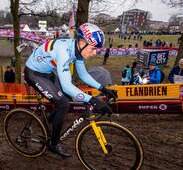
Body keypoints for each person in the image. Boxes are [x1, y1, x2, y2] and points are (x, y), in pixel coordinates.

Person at [24, 23, 117, 157]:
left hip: (47, 72)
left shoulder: (77, 49)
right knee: (63, 103)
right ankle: (53, 144)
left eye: (97, 49)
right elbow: (67, 86)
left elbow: (83, 75)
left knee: (65, 99)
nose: (95, 53)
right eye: (93, 48)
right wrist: (93, 100)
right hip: (34, 73)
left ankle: (45, 125)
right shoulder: (64, 52)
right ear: (81, 42)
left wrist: (103, 88)